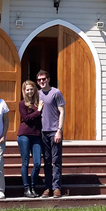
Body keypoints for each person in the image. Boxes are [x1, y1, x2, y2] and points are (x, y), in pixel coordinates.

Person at [37, 70, 65, 198]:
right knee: (46, 161)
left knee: (56, 160)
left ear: (48, 79)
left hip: (54, 131)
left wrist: (59, 129)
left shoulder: (56, 93)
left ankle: (57, 188)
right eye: (39, 80)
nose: (42, 82)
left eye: (43, 79)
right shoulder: (37, 95)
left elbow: (62, 111)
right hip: (43, 132)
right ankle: (47, 188)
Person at [18, 79, 43, 198]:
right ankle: (26, 188)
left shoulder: (39, 103)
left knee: (37, 162)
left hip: (37, 135)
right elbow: (26, 119)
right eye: (27, 89)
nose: (30, 91)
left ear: (35, 90)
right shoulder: (22, 104)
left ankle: (33, 187)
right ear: (24, 91)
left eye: (31, 89)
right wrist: (38, 111)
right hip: (24, 135)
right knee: (25, 162)